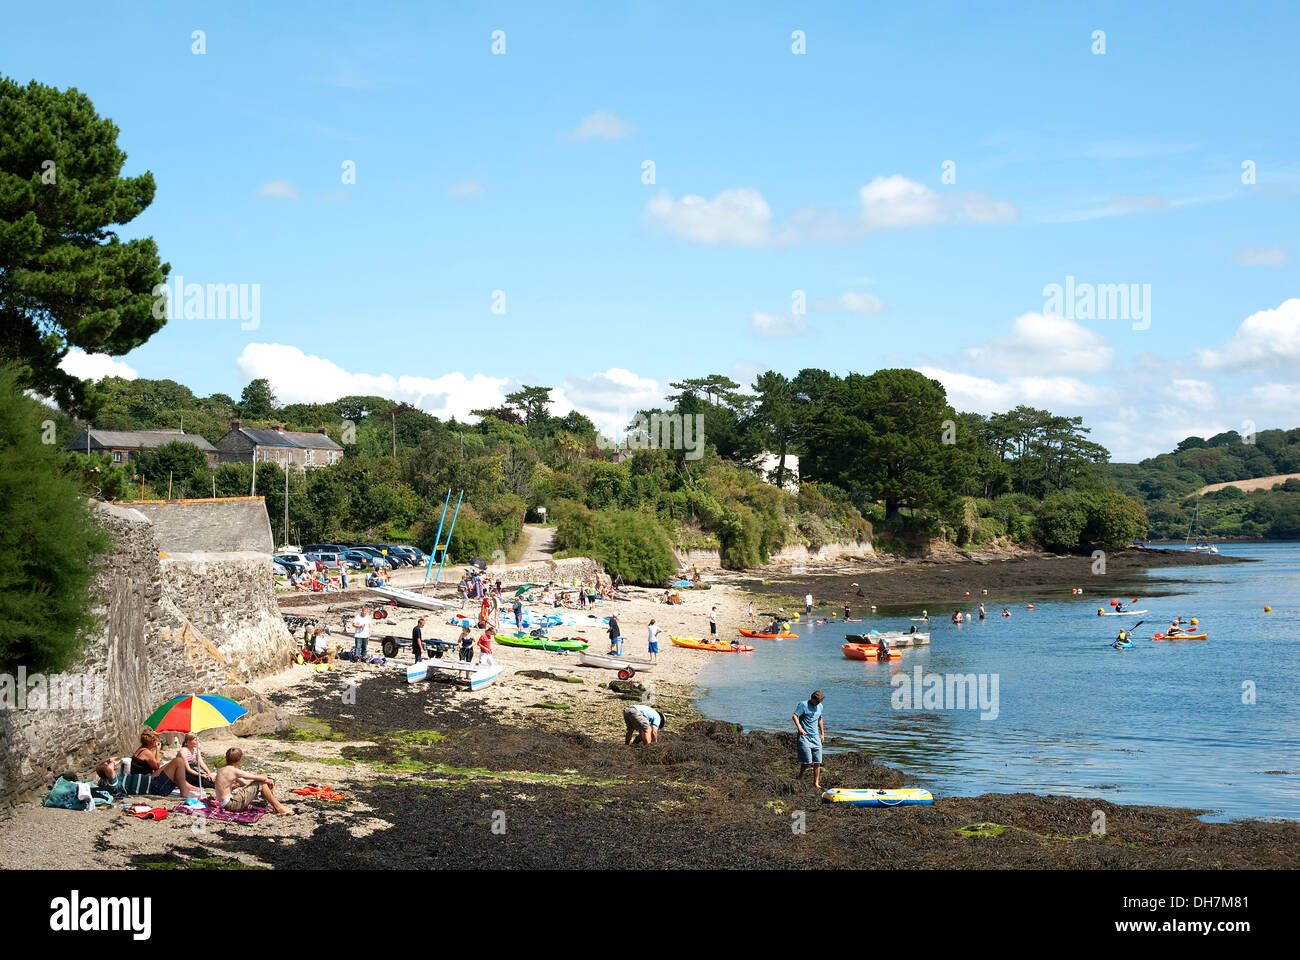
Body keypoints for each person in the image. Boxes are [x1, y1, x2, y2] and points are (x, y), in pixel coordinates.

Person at [214, 747, 296, 815]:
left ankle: (269, 799)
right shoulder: (233, 771)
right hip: (231, 805)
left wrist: (256, 784)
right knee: (261, 782)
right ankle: (279, 808)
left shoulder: (221, 769)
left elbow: (244, 782)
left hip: (224, 804)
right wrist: (268, 780)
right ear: (239, 760)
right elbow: (257, 778)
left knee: (259, 783)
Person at [131, 731, 201, 800]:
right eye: (156, 740)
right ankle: (185, 791)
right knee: (178, 761)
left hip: (145, 780)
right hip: (148, 784)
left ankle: (189, 787)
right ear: (151, 742)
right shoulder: (147, 752)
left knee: (173, 765)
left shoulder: (140, 750)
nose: (157, 742)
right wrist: (158, 750)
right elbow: (156, 766)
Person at [793, 691, 826, 790]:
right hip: (804, 736)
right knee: (807, 761)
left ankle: (816, 783)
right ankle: (800, 776)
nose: (818, 704)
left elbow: (819, 719)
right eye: (817, 701)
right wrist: (800, 728)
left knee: (818, 761)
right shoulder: (803, 705)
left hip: (816, 737)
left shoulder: (820, 706)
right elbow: (795, 716)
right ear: (812, 698)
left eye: (819, 702)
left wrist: (822, 733)